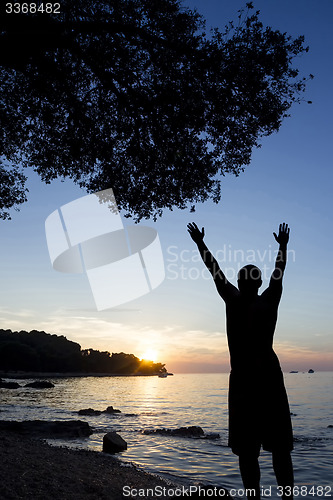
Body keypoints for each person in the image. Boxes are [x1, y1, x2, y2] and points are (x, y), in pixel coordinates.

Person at [187, 222, 294, 500]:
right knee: (277, 449)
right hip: (268, 377)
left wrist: (200, 243)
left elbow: (215, 271)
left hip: (247, 380)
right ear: (257, 283)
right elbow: (278, 274)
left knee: (250, 451)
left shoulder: (234, 299)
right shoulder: (268, 299)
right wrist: (282, 246)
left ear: (241, 282)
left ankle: (254, 499)